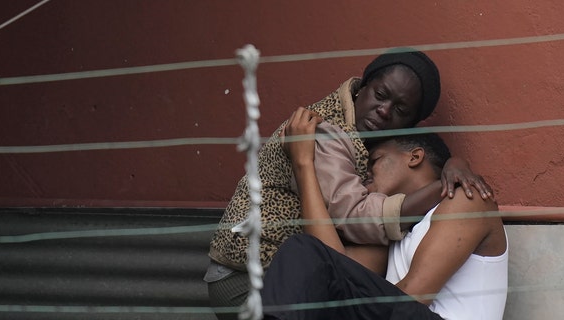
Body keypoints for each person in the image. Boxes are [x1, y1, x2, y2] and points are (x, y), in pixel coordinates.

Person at [206, 48, 494, 319]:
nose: (384, 111)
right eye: (380, 95)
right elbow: (349, 223)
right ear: (363, 86)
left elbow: (386, 290)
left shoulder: (461, 202)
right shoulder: (323, 131)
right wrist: (441, 186)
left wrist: (456, 165)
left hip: (290, 274)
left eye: (400, 111)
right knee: (307, 255)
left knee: (311, 259)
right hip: (244, 274)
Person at [261, 108, 507, 320]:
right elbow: (331, 268)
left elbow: (412, 297)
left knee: (306, 254)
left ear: (414, 157)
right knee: (304, 254)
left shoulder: (466, 198)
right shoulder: (396, 236)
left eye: (374, 161)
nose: (364, 178)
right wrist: (302, 164)